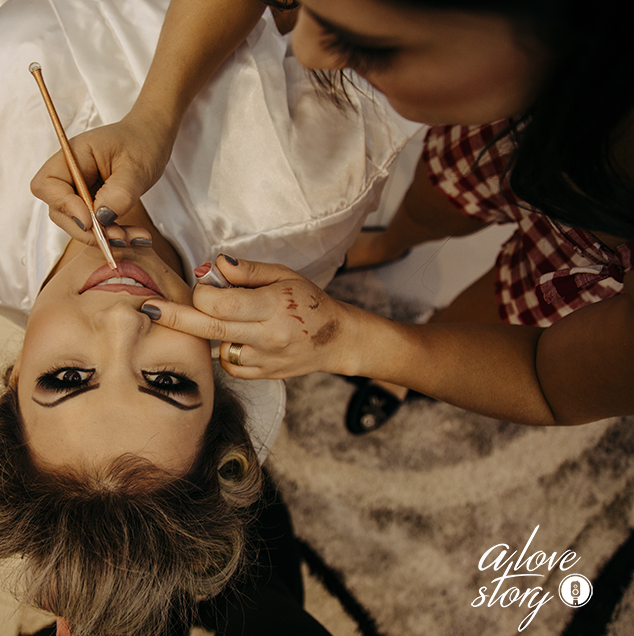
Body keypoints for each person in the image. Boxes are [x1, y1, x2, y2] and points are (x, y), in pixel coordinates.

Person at [0, 0, 414, 636]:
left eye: (68, 377)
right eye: (166, 380)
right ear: (218, 382)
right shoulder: (304, 199)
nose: (121, 320)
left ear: (15, 377)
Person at [32, 0, 633, 429]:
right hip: (512, 138)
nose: (302, 49)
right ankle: (393, 241)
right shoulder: (497, 103)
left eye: (370, 44)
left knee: (506, 308)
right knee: (441, 194)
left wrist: (364, 345)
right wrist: (152, 117)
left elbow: (546, 377)